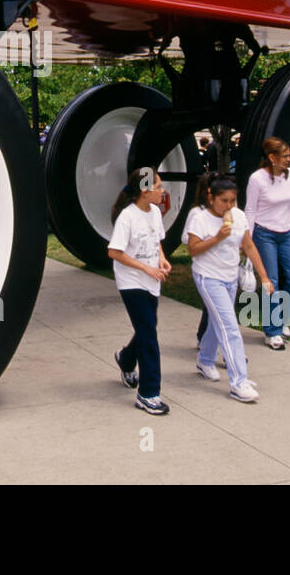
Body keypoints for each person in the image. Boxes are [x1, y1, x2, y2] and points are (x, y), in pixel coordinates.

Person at [184, 172, 274, 402]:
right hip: (208, 276)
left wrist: (264, 277)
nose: (228, 206)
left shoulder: (239, 217)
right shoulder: (200, 218)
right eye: (223, 201)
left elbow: (249, 246)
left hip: (230, 276)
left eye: (232, 201)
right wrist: (216, 238)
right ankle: (238, 382)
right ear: (211, 196)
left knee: (219, 322)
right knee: (230, 327)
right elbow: (193, 250)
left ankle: (205, 360)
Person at [107, 166, 171, 415]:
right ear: (145, 190)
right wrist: (146, 268)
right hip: (131, 282)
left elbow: (157, 241)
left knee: (147, 329)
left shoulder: (154, 211)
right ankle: (148, 394)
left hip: (151, 279)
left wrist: (161, 260)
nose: (162, 192)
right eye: (158, 187)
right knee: (149, 337)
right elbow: (114, 252)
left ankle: (125, 359)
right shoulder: (127, 217)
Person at [244, 136, 290, 351]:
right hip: (264, 234)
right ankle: (272, 332)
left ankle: (281, 319)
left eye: (289, 155)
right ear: (272, 157)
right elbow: (250, 210)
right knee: (271, 282)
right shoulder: (257, 179)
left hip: (287, 232)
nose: (289, 159)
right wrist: (247, 240)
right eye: (285, 156)